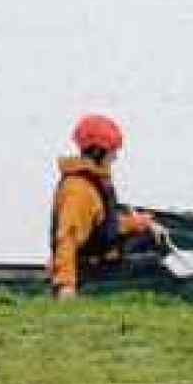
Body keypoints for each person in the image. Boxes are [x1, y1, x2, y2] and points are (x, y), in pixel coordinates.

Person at [49, 112, 162, 297]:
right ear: (98, 152)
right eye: (113, 152)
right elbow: (67, 237)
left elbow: (103, 225)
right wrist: (66, 284)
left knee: (147, 234)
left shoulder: (95, 180)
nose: (115, 157)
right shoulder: (79, 191)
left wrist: (139, 223)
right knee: (150, 247)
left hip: (101, 253)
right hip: (90, 264)